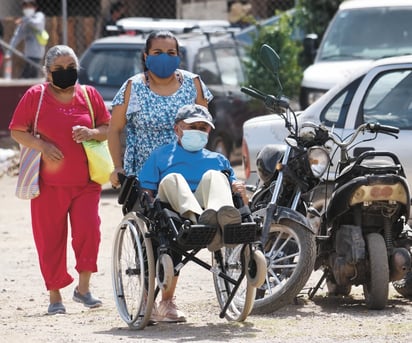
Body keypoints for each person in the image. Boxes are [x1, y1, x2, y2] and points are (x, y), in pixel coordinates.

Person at [8, 45, 111, 315]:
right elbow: (17, 130)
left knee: (90, 232)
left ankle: (84, 289)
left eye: (71, 69)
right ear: (47, 72)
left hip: (87, 182)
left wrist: (91, 131)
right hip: (47, 186)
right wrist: (42, 146)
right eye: (59, 70)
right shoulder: (36, 96)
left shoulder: (90, 95)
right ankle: (55, 297)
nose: (66, 73)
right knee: (50, 239)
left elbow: (107, 128)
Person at [137, 104, 248, 323]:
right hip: (175, 212)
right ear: (177, 129)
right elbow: (146, 190)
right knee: (173, 178)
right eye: (192, 126)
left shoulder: (218, 160)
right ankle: (200, 223)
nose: (198, 130)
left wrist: (239, 189)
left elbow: (237, 190)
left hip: (209, 209)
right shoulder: (161, 156)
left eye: (203, 127)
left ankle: (217, 221)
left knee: (217, 177)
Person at [108, 30, 213, 188]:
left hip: (187, 172)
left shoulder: (194, 84)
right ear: (146, 56)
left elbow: (203, 126)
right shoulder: (133, 87)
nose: (165, 57)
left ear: (178, 56)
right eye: (157, 52)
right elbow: (114, 129)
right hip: (144, 177)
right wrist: (117, 167)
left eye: (171, 53)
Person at [5, 0, 46, 78]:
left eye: (30, 6)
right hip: (28, 54)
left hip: (37, 53)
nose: (27, 8)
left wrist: (24, 19)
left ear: (35, 7)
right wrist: (9, 52)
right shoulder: (24, 22)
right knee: (30, 76)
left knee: (28, 76)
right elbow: (16, 37)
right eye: (25, 6)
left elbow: (36, 24)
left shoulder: (39, 16)